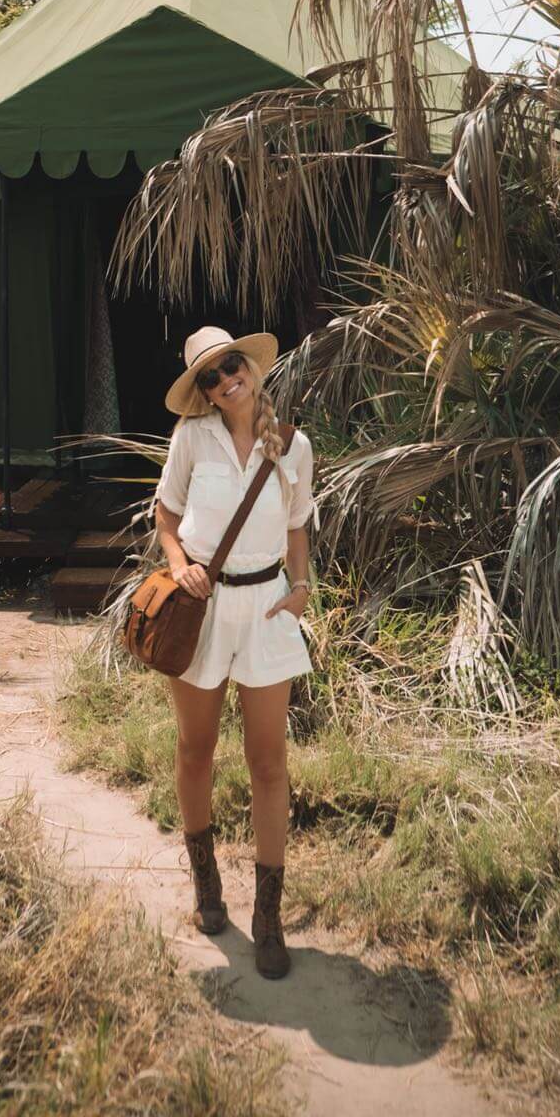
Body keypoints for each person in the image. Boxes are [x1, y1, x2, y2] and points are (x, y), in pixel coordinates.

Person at [155, 325, 314, 980]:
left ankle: (269, 918)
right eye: (210, 378)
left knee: (268, 761)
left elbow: (299, 520)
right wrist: (179, 566)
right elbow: (166, 516)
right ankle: (207, 884)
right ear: (204, 392)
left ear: (249, 365)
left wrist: (301, 586)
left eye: (230, 367)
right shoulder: (191, 438)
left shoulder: (294, 445)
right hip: (204, 608)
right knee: (196, 749)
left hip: (268, 609)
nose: (225, 381)